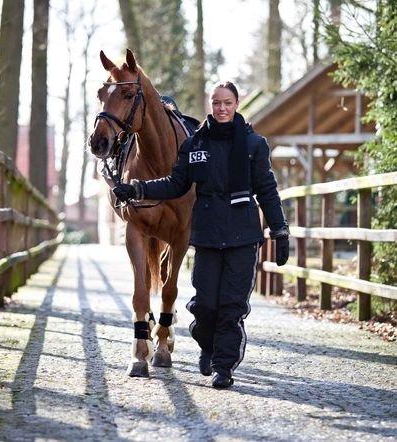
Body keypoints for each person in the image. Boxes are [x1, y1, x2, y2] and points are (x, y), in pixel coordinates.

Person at [113, 81, 289, 389]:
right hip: (207, 237)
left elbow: (267, 190)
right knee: (205, 306)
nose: (222, 108)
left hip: (242, 237)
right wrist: (138, 188)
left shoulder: (253, 144)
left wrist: (279, 229)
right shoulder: (194, 145)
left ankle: (224, 367)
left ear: (236, 105)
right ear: (211, 105)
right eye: (217, 102)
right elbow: (175, 184)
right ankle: (207, 345)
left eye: (228, 103)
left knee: (232, 308)